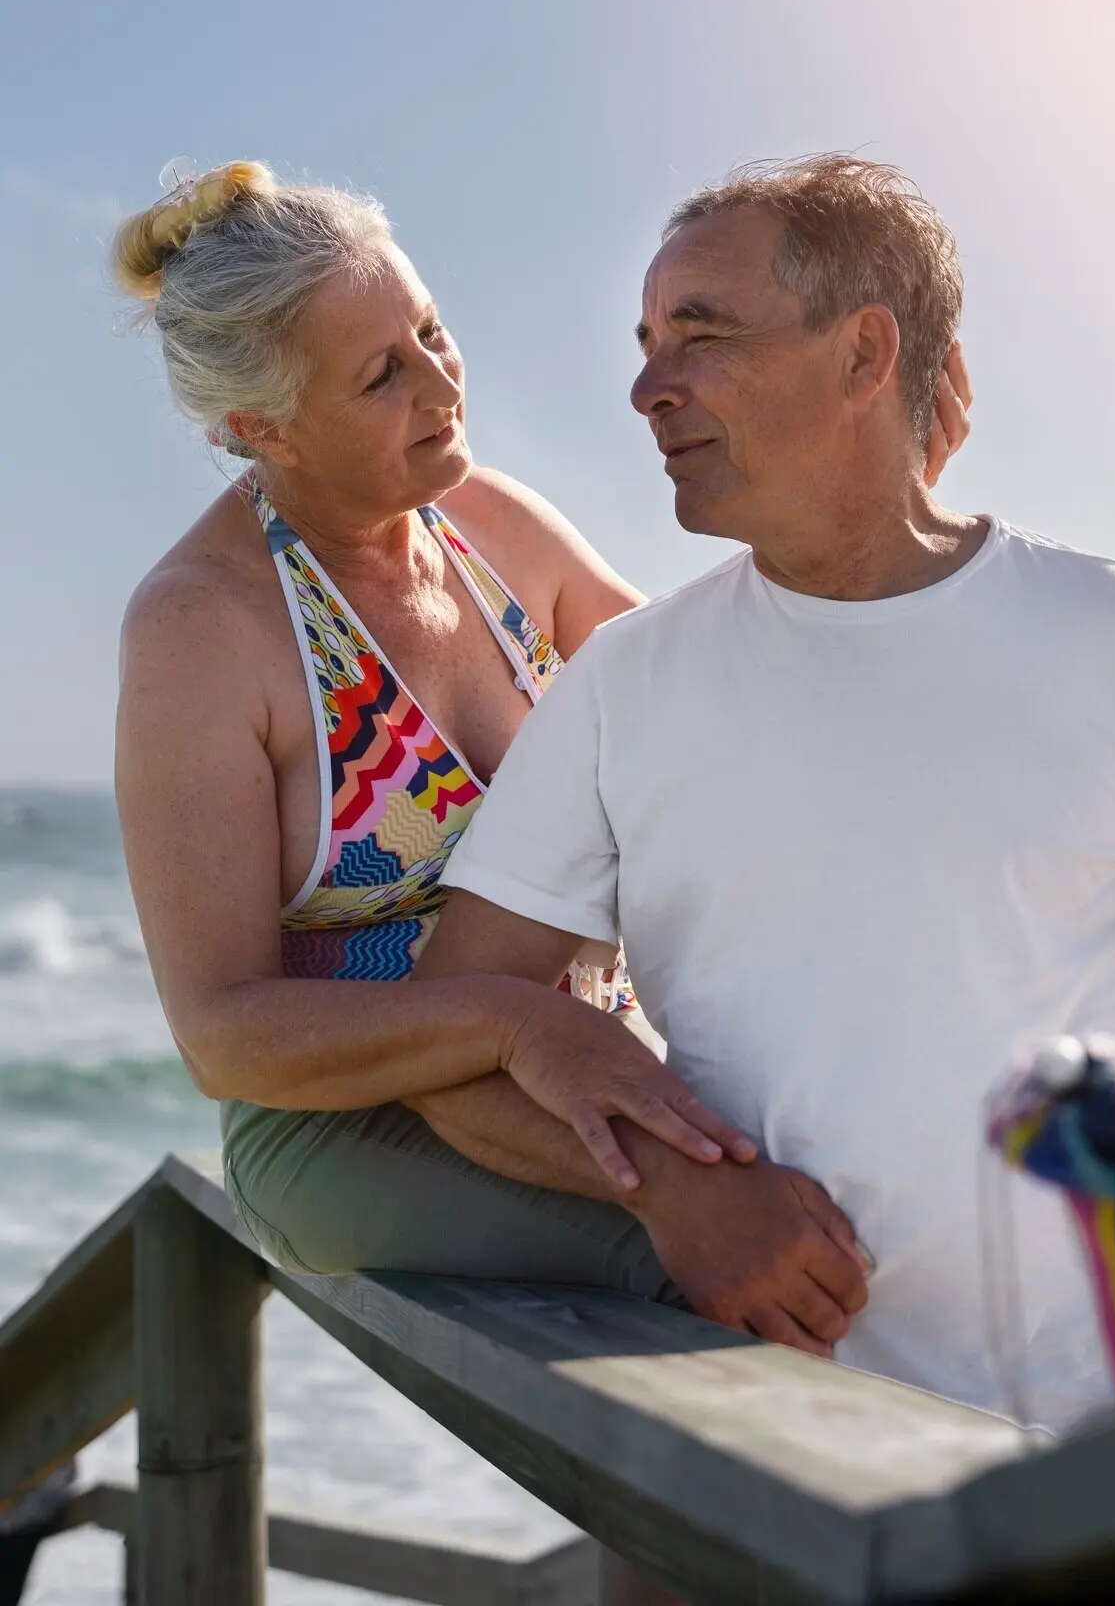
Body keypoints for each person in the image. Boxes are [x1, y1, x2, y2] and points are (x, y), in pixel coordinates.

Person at [413, 154, 1115, 1434]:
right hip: (780, 1436)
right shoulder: (622, 683)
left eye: (701, 335)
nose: (646, 386)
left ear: (863, 353)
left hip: (1107, 1437)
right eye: (646, 343)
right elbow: (445, 1039)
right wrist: (667, 1192)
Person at [113, 156, 972, 1325]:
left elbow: (720, 693)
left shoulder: (491, 526)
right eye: (380, 374)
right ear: (262, 426)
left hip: (580, 1075)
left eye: (430, 331)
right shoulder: (202, 627)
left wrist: (876, 501)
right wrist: (512, 1018)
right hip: (346, 1124)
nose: (440, 384)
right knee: (760, 1281)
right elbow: (223, 1034)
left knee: (889, 1204)